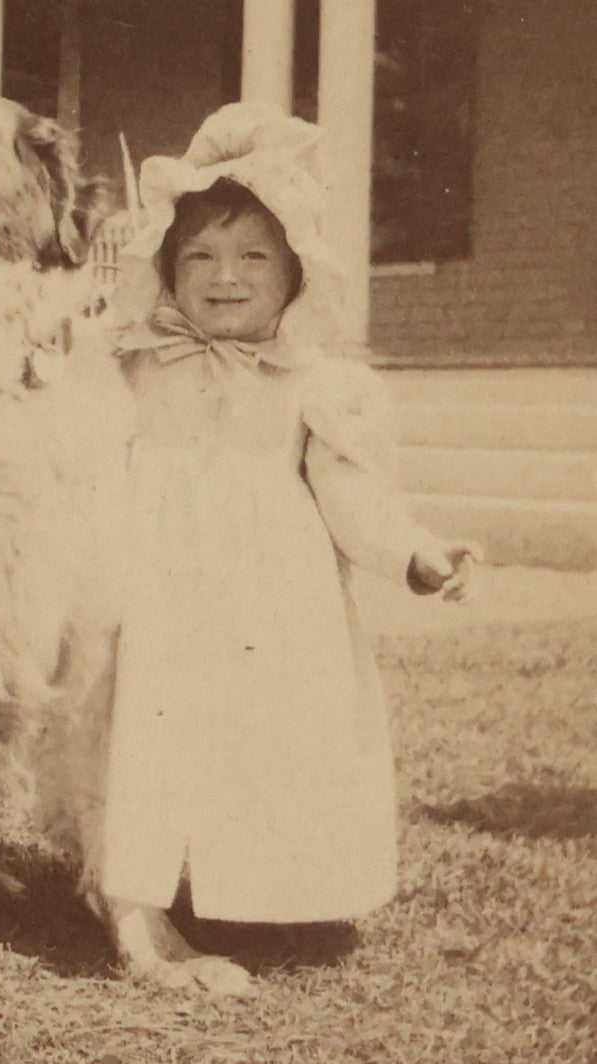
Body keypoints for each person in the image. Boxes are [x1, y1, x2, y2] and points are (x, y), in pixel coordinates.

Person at [100, 102, 480, 995]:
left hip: (275, 600)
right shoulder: (131, 364)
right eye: (198, 255)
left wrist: (413, 555)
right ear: (163, 268)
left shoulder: (319, 382)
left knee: (272, 735)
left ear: (297, 272)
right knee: (156, 729)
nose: (224, 277)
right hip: (155, 584)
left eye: (252, 257)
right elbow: (77, 450)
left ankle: (270, 887)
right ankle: (148, 894)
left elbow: (355, 496)